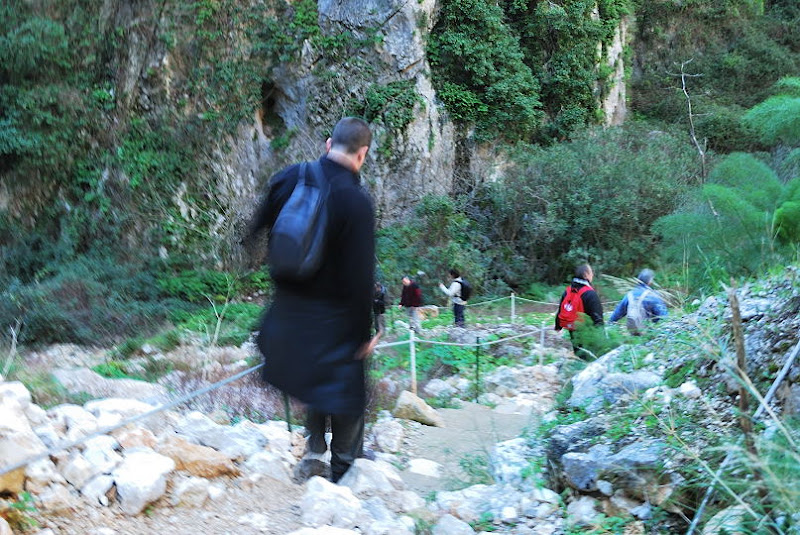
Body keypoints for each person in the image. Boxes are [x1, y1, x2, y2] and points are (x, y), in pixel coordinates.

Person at [247, 117, 379, 483]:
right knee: (347, 391)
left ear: (327, 144)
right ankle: (344, 471)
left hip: (289, 318)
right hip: (334, 319)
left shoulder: (290, 178)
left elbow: (258, 229)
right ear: (362, 154)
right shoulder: (356, 202)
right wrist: (362, 335)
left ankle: (314, 453)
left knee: (318, 384)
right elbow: (359, 278)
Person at [555, 263, 604, 357]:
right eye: (591, 272)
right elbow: (598, 317)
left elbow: (561, 308)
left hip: (572, 329)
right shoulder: (590, 293)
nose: (592, 275)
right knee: (590, 357)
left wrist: (558, 327)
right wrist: (601, 338)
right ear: (586, 275)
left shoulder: (568, 290)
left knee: (578, 353)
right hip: (588, 332)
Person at [609, 268, 668, 335]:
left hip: (631, 331)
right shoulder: (652, 295)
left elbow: (618, 312)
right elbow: (663, 316)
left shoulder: (629, 294)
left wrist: (610, 322)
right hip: (648, 333)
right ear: (650, 281)